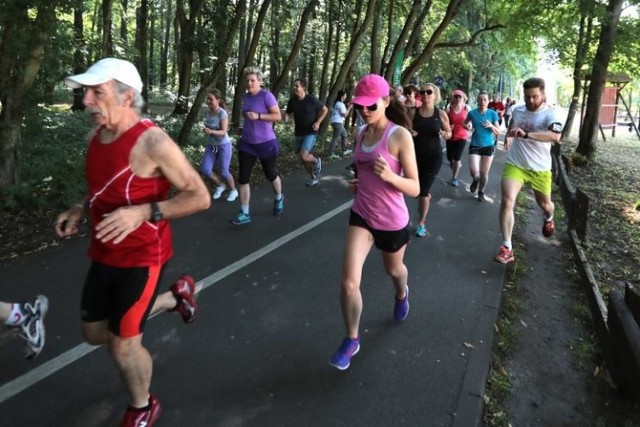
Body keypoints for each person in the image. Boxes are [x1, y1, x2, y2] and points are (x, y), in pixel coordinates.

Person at [61, 57, 211, 427]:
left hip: (143, 256)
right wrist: (80, 208)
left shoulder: (153, 141)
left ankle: (143, 406)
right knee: (94, 333)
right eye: (86, 93)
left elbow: (199, 195)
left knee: (122, 344)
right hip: (105, 250)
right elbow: (101, 187)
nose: (87, 101)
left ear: (127, 97)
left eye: (98, 92)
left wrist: (143, 213)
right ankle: (177, 297)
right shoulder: (99, 136)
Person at [329, 74, 419, 371]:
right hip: (363, 213)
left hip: (392, 221)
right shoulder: (361, 132)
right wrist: (358, 182)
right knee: (348, 281)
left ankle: (402, 292)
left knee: (394, 270)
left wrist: (391, 178)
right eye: (359, 106)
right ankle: (352, 338)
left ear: (386, 101)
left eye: (370, 106)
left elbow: (415, 188)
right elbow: (365, 170)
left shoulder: (399, 136)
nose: (364, 111)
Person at [494, 77, 563, 264]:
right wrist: (509, 135)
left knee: (545, 204)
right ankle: (507, 247)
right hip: (516, 163)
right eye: (527, 97)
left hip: (540, 168)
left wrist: (527, 134)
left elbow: (555, 136)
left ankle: (549, 217)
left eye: (534, 96)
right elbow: (512, 127)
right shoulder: (518, 110)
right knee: (507, 201)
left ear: (543, 95)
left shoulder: (551, 114)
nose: (530, 101)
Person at [232, 67, 284, 225]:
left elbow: (278, 116)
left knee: (271, 174)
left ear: (260, 81)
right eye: (247, 81)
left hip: (265, 143)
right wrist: (244, 128)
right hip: (247, 143)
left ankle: (279, 197)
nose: (249, 83)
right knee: (243, 178)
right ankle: (245, 212)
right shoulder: (246, 97)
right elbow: (248, 117)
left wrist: (259, 116)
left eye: (253, 80)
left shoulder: (266, 96)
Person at [410, 83, 452, 237]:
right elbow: (403, 128)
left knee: (423, 192)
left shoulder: (440, 114)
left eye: (429, 92)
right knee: (416, 191)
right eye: (423, 92)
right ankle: (424, 197)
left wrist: (445, 134)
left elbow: (449, 132)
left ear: (435, 95)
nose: (426, 95)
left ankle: (421, 222)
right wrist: (409, 132)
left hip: (434, 157)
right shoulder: (413, 113)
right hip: (414, 156)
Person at [285, 78, 328, 187]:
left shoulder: (311, 100)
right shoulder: (292, 101)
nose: (294, 88)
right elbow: (287, 114)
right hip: (298, 133)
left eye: (297, 86)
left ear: (303, 88)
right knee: (303, 159)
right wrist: (285, 118)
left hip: (311, 131)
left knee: (304, 155)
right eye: (294, 86)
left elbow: (325, 109)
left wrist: (318, 122)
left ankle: (317, 160)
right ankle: (313, 177)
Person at [201, 89, 238, 202]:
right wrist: (206, 130)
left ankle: (233, 190)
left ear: (218, 100)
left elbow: (223, 131)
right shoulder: (208, 112)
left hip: (223, 145)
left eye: (211, 99)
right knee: (205, 169)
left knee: (224, 171)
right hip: (211, 145)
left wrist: (210, 131)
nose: (208, 101)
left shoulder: (222, 113)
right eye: (207, 99)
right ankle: (220, 186)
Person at [463, 91, 500, 202]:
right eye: (481, 99)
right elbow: (464, 123)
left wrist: (491, 125)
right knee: (474, 172)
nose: (483, 102)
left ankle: (481, 192)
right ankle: (475, 179)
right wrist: (468, 127)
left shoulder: (493, 114)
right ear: (478, 101)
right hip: (475, 145)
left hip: (488, 145)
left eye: (485, 99)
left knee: (484, 173)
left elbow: (498, 132)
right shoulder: (472, 113)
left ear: (488, 101)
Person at [445, 89, 470, 187]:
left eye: (460, 97)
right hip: (450, 136)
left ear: (463, 98)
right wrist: (447, 126)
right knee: (449, 157)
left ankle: (454, 178)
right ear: (453, 98)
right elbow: (444, 122)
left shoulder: (466, 108)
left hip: (462, 136)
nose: (458, 98)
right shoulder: (449, 108)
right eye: (456, 96)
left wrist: (469, 126)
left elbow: (470, 121)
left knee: (457, 158)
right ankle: (452, 161)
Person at [328, 90, 353, 159]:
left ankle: (344, 150)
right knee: (335, 138)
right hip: (338, 122)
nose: (346, 96)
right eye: (345, 95)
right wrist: (349, 108)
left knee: (344, 134)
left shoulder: (336, 103)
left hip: (334, 122)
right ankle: (330, 153)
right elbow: (344, 115)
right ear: (342, 96)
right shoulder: (340, 104)